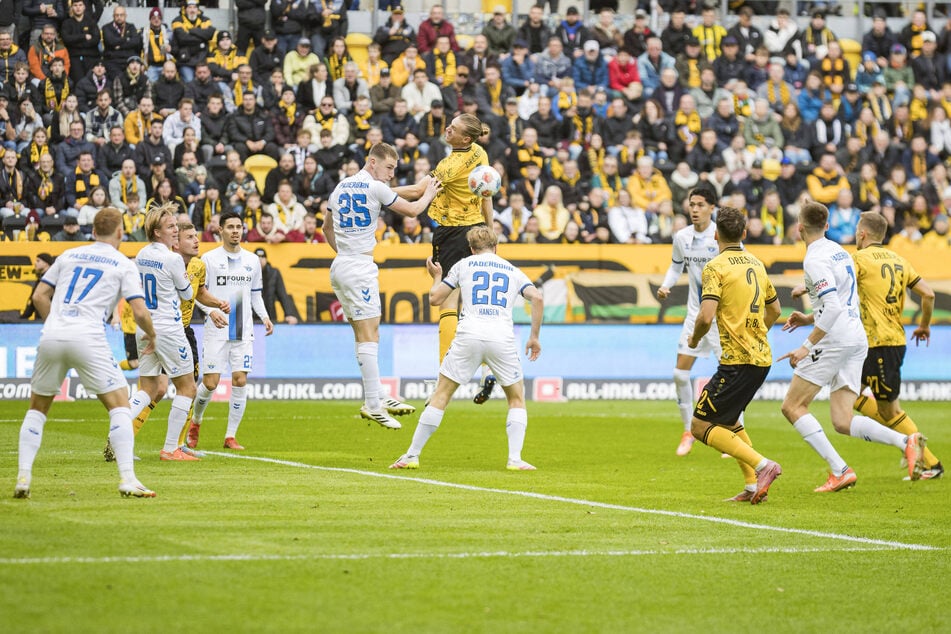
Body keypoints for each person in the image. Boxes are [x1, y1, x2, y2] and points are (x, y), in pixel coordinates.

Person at [778, 202, 926, 493]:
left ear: (799, 228)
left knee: (792, 406)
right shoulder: (840, 251)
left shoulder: (814, 259)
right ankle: (905, 441)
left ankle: (840, 470)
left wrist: (806, 346)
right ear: (827, 226)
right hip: (856, 336)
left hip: (835, 339)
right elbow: (844, 300)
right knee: (842, 420)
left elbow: (833, 307)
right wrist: (809, 317)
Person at [14, 207, 157, 499]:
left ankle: (23, 477)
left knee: (37, 409)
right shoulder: (123, 263)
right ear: (120, 232)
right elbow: (140, 312)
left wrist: (55, 324)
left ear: (92, 231)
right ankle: (128, 478)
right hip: (88, 336)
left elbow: (39, 295)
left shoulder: (68, 255)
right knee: (120, 406)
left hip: (53, 334)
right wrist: (153, 335)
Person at [390, 225, 543, 471]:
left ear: (471, 249)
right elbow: (537, 297)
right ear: (496, 247)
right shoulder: (512, 270)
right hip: (501, 338)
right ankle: (515, 459)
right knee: (516, 399)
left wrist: (436, 277)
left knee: (441, 395)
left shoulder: (463, 265)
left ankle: (411, 456)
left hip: (469, 335)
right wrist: (534, 337)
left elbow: (435, 299)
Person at [323, 142, 441, 428]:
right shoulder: (375, 187)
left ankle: (377, 394)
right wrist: (430, 193)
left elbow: (326, 227)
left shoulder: (340, 187)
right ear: (372, 162)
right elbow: (412, 210)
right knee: (370, 333)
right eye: (389, 167)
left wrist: (344, 253)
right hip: (359, 267)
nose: (391, 174)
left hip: (341, 264)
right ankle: (373, 404)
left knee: (364, 332)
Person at [392, 114, 494, 402]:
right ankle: (488, 368)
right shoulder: (479, 152)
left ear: (465, 138)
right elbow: (486, 194)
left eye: (454, 128)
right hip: (477, 231)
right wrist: (491, 233)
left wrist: (376, 190)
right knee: (475, 304)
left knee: (448, 303)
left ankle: (443, 381)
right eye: (450, 123)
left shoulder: (448, 167)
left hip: (452, 234)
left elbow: (416, 192)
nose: (448, 128)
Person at [687, 205, 782, 504]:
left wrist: (694, 339)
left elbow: (705, 316)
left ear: (715, 235)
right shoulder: (757, 263)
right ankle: (753, 486)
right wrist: (756, 334)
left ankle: (764, 466)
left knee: (700, 426)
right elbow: (775, 310)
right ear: (744, 233)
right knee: (729, 422)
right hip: (761, 358)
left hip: (737, 361)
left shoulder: (715, 267)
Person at [846, 213, 942, 479]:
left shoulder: (859, 259)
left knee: (890, 411)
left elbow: (839, 285)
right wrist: (924, 325)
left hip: (880, 344)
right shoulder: (899, 260)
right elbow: (928, 294)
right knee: (848, 395)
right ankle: (906, 443)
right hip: (885, 341)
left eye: (857, 230)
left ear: (863, 234)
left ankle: (930, 463)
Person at [127, 205, 217, 461]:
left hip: (145, 327)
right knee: (187, 387)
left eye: (176, 225)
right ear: (157, 232)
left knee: (147, 388)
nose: (176, 230)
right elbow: (187, 294)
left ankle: (117, 432)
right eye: (170, 227)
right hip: (169, 329)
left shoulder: (142, 254)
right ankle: (170, 448)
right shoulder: (173, 259)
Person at [186, 211, 274, 451]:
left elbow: (255, 294)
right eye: (230, 227)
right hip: (217, 329)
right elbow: (198, 294)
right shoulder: (208, 259)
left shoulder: (252, 260)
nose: (235, 231)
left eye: (238, 227)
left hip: (242, 329)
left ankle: (230, 436)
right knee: (210, 383)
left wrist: (265, 317)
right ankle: (196, 421)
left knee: (240, 380)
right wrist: (210, 311)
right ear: (220, 230)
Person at [655, 186, 722, 456]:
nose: (695, 209)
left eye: (700, 205)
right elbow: (676, 266)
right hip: (695, 315)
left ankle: (732, 429)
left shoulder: (722, 235)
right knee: (679, 374)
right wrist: (666, 285)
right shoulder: (681, 237)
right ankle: (688, 430)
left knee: (731, 374)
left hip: (722, 318)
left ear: (712, 208)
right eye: (692, 204)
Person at [19, 253, 54, 320]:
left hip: (48, 320)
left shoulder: (53, 280)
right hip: (41, 320)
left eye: (38, 261)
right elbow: (32, 302)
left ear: (46, 263)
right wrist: (22, 319)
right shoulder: (40, 279)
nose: (35, 263)